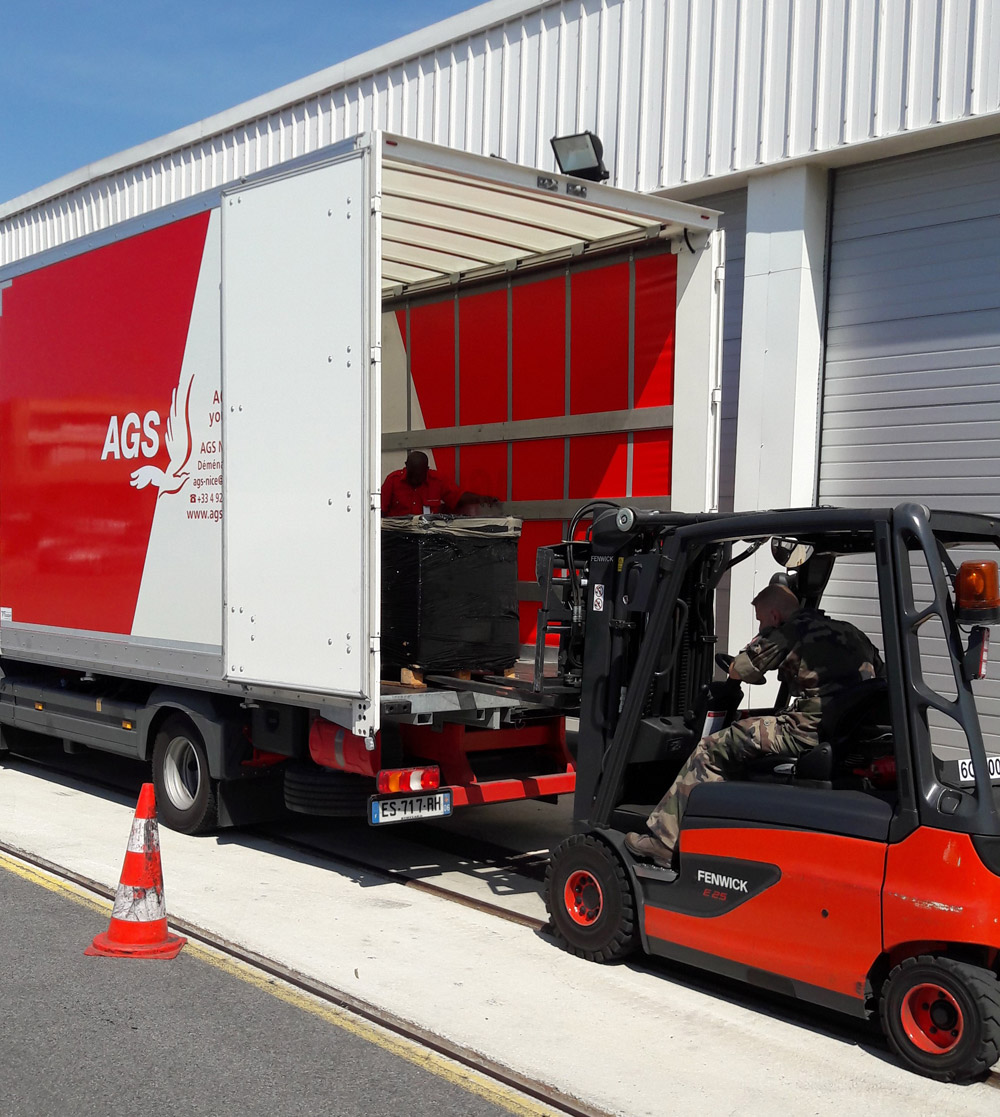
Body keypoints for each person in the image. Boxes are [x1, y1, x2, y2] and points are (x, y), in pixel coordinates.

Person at [625, 583, 885, 869]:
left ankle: (663, 842)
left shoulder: (789, 631)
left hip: (806, 732)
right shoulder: (851, 632)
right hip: (844, 731)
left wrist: (757, 641)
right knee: (752, 730)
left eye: (761, 620)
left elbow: (743, 668)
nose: (761, 625)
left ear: (774, 616)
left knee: (711, 749)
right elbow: (879, 674)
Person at [381, 450, 497, 517]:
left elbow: (457, 497)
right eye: (412, 475)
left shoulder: (437, 480)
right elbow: (379, 511)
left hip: (427, 536)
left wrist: (480, 498)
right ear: (406, 466)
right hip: (398, 539)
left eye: (419, 476)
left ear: (426, 469)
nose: (415, 480)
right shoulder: (392, 480)